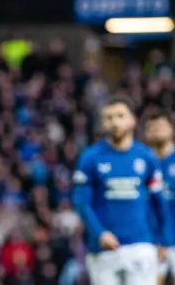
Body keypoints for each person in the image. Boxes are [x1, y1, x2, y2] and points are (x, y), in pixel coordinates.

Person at [72, 96, 172, 285]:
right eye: (108, 117)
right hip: (103, 250)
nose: (115, 122)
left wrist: (164, 240)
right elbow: (81, 202)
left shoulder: (146, 157)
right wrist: (99, 233)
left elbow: (159, 202)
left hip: (141, 244)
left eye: (120, 116)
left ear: (132, 120)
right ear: (102, 123)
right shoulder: (90, 158)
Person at [144, 110, 175, 285]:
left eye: (160, 126)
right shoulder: (140, 162)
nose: (156, 130)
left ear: (171, 129)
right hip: (150, 241)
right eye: (151, 128)